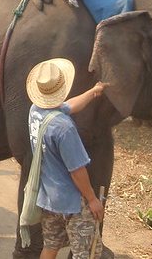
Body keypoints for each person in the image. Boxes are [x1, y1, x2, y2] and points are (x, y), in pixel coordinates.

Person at [24, 58, 106, 259]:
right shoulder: (64, 128)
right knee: (85, 253)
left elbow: (67, 106)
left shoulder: (35, 111)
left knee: (50, 246)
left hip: (49, 198)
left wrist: (93, 91)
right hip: (73, 203)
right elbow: (77, 169)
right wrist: (92, 199)